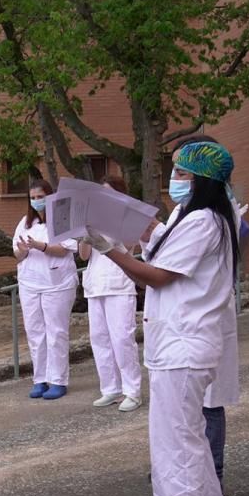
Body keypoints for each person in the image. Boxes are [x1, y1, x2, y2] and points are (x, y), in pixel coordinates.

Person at [94, 140, 238, 496]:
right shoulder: (191, 216)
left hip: (184, 345)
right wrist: (123, 218)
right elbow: (160, 239)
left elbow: (156, 275)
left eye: (181, 173)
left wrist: (109, 251)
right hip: (180, 343)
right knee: (190, 437)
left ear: (201, 181)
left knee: (172, 444)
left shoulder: (205, 222)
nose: (173, 179)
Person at [149, 134, 249, 487]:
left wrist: (116, 252)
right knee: (184, 412)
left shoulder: (216, 214)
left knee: (207, 403)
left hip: (201, 319)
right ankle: (186, 472)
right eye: (174, 168)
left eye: (182, 170)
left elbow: (166, 270)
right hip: (182, 319)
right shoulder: (186, 210)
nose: (175, 177)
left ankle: (211, 476)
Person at [79, 176, 142, 412]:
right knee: (100, 340)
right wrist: (84, 232)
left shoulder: (126, 217)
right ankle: (110, 388)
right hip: (95, 285)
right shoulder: (91, 219)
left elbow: (128, 244)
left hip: (119, 284)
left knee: (122, 339)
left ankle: (132, 391)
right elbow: (84, 255)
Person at [14, 180, 79, 400]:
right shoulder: (25, 222)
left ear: (50, 196)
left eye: (40, 196)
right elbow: (17, 252)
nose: (36, 201)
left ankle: (58, 380)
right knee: (35, 332)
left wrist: (39, 246)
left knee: (56, 332)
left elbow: (66, 249)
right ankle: (39, 378)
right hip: (30, 283)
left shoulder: (63, 217)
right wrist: (23, 251)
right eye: (32, 197)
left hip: (57, 282)